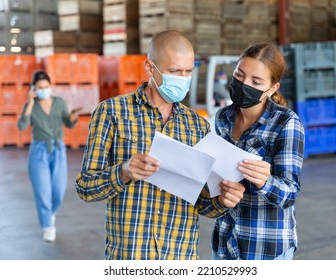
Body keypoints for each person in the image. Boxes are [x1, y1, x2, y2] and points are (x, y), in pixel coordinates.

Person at [75, 30, 245, 260]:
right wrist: (124, 172)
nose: (183, 78)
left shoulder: (197, 126)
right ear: (149, 68)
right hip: (130, 256)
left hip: (180, 255)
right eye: (175, 71)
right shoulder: (112, 113)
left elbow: (203, 203)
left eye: (188, 71)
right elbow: (85, 187)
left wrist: (223, 201)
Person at [212, 43, 305, 260]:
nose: (244, 84)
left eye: (256, 82)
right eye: (240, 75)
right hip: (224, 243)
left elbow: (289, 194)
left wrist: (265, 181)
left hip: (265, 249)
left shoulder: (286, 123)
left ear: (272, 88)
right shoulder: (221, 118)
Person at [17, 70, 82, 242]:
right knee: (42, 191)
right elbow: (22, 126)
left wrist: (73, 117)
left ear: (50, 86)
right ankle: (47, 226)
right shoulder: (32, 105)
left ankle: (50, 213)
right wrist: (30, 103)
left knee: (58, 190)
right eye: (39, 88)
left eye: (46, 86)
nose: (44, 90)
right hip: (39, 152)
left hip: (59, 150)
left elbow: (68, 123)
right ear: (33, 89)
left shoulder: (59, 103)